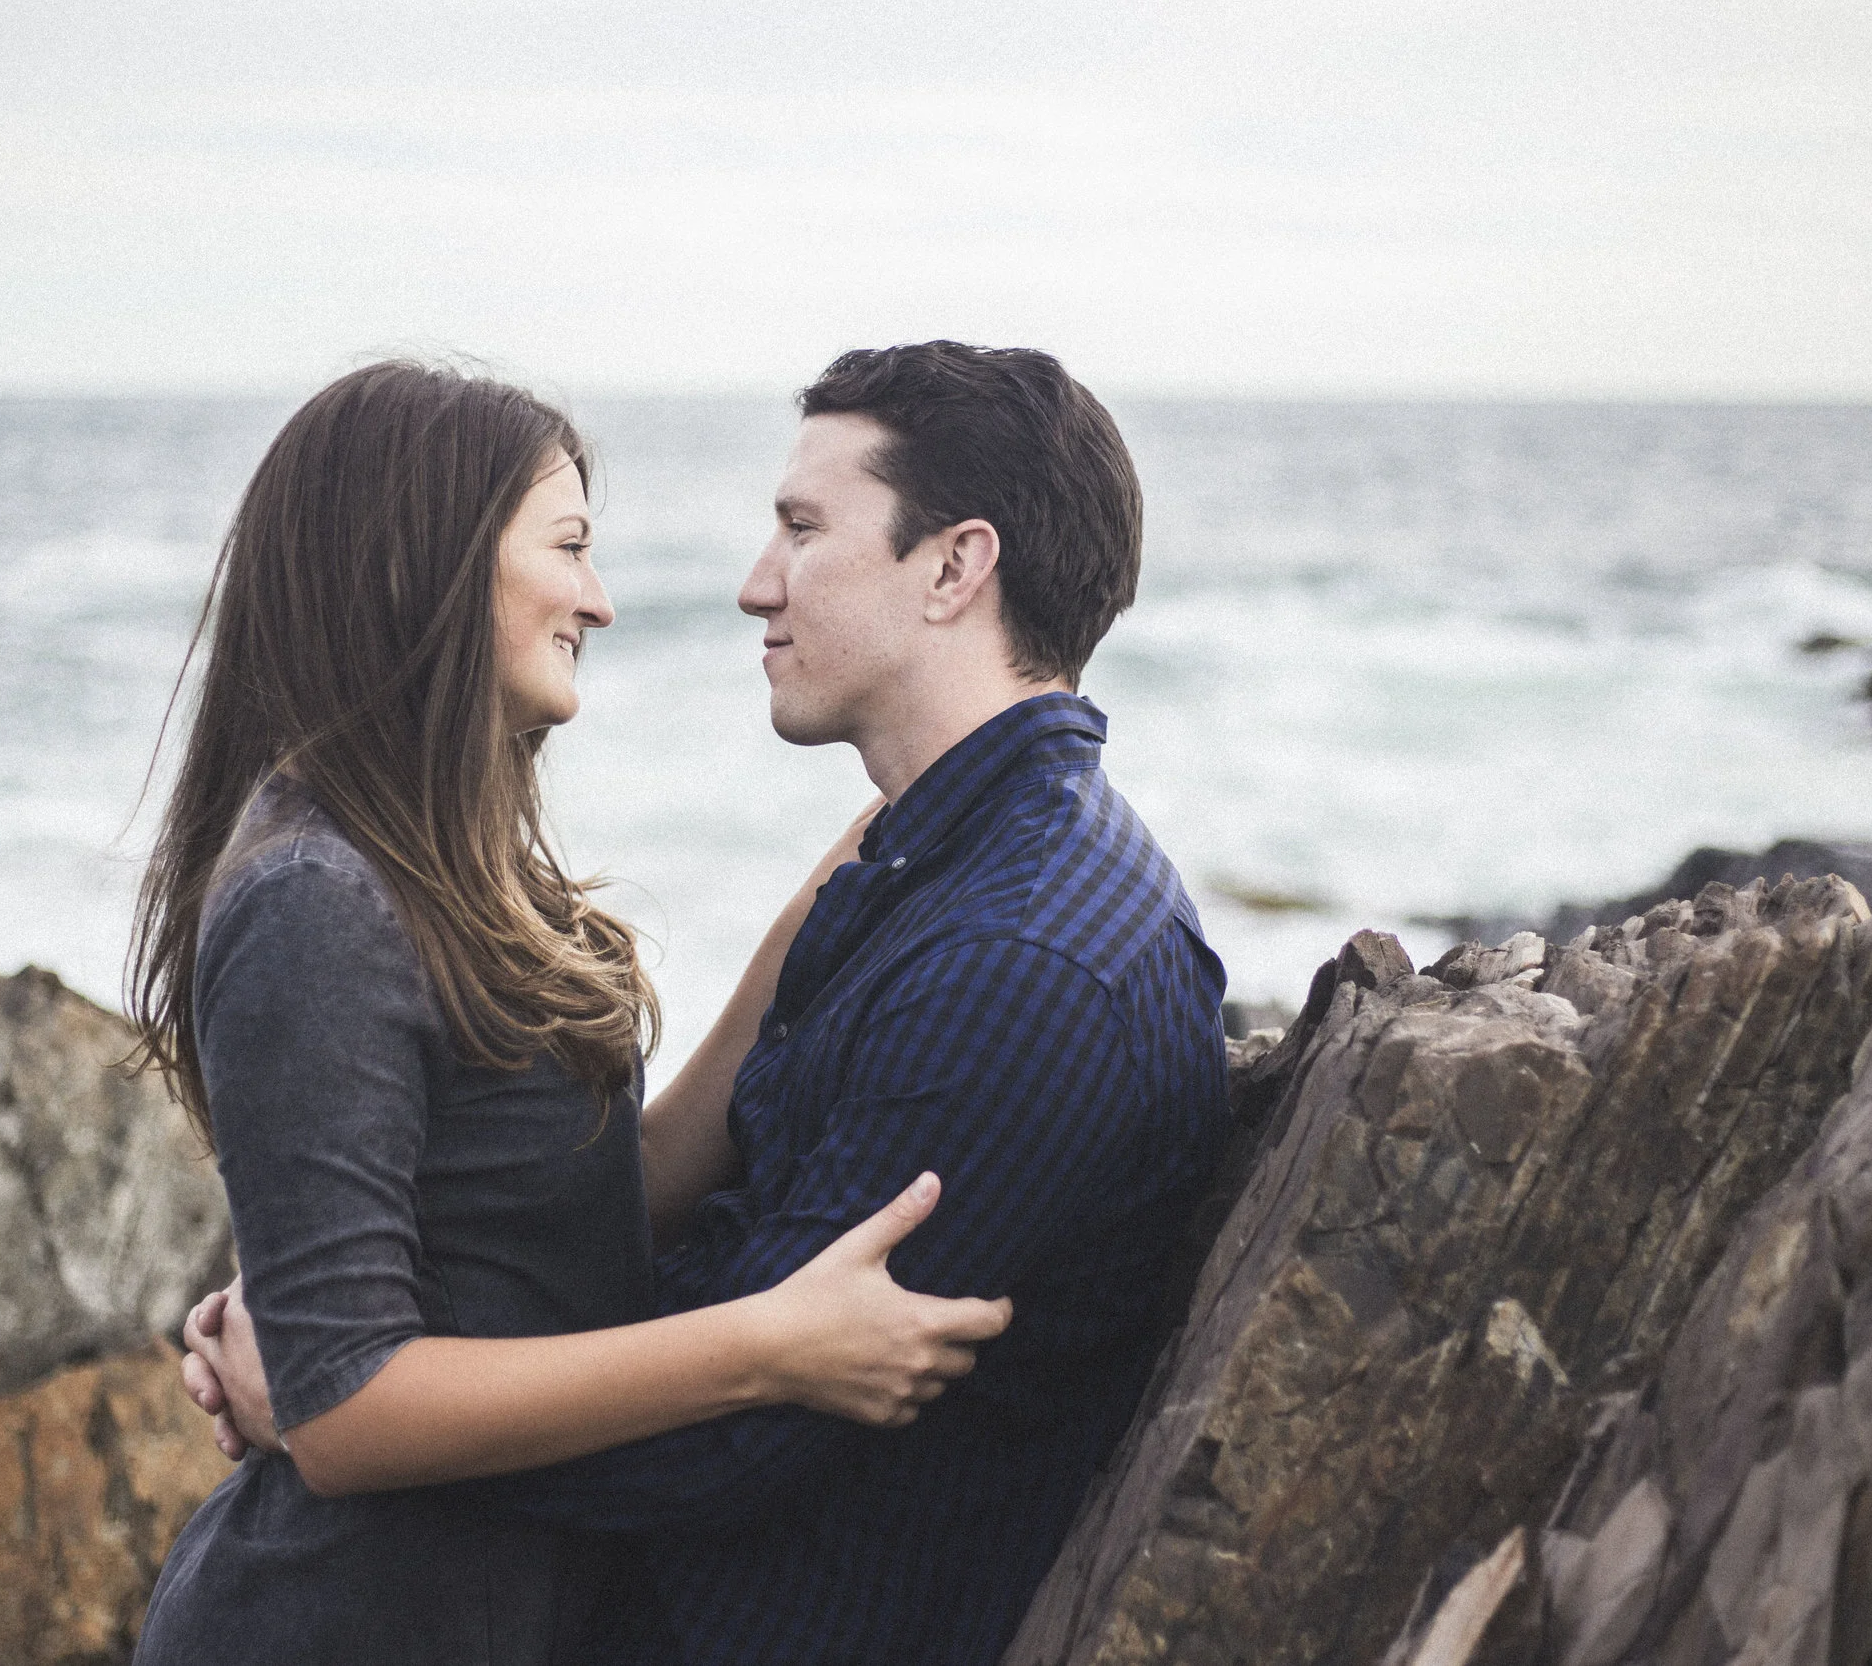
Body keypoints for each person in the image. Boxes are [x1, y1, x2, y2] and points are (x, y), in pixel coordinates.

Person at [187, 342, 1236, 1666]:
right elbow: (633, 1244)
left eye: (801, 529)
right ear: (433, 564)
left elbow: (713, 1410)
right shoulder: (920, 861)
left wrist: (324, 1395)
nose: (744, 584)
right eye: (567, 546)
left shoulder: (1015, 954)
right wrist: (330, 1337)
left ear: (957, 566)